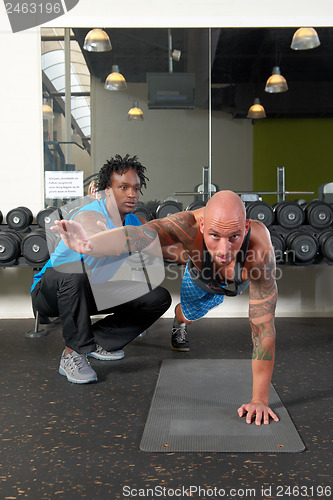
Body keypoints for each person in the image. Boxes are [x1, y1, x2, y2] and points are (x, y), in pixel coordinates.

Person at [52, 190, 279, 426]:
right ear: (201, 225)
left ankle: (190, 310)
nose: (223, 250)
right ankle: (180, 320)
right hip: (200, 276)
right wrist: (92, 245)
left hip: (234, 282)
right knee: (189, 313)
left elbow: (263, 331)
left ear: (247, 226)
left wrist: (260, 400)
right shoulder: (186, 224)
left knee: (214, 294)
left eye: (234, 237)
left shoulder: (260, 252)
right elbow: (144, 233)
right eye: (214, 236)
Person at [31, 154, 172, 384]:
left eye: (136, 188)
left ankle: (98, 342)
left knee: (157, 297)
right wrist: (93, 241)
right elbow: (89, 225)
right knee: (74, 273)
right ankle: (72, 354)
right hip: (50, 292)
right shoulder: (91, 213)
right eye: (123, 187)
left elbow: (157, 246)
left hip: (91, 290)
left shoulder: (134, 222)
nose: (131, 194)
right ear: (107, 190)